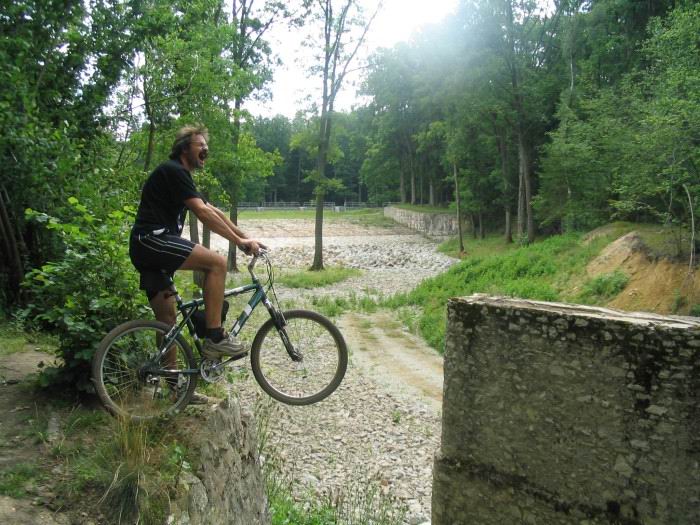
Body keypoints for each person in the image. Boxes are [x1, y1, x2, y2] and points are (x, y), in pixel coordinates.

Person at [129, 125, 266, 365]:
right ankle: (215, 337)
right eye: (200, 145)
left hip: (146, 247)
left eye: (206, 145)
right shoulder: (174, 171)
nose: (206, 149)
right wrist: (238, 242)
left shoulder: (180, 176)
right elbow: (202, 213)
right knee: (217, 263)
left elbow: (212, 210)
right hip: (152, 240)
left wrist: (245, 237)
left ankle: (171, 382)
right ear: (184, 149)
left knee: (167, 322)